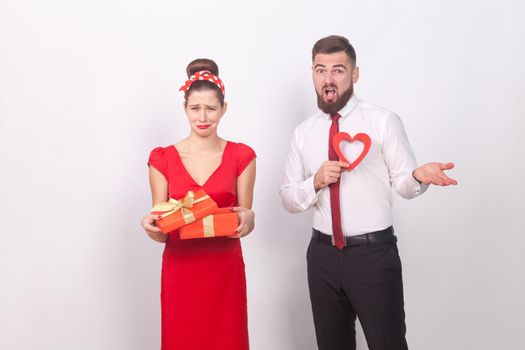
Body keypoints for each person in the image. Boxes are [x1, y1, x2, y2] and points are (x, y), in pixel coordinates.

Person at [279, 35, 457, 350]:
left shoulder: (382, 121)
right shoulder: (303, 133)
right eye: (321, 70)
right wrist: (315, 182)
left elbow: (404, 182)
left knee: (387, 344)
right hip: (321, 256)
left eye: (338, 70)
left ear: (355, 74)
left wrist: (418, 175)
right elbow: (289, 198)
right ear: (313, 74)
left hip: (372, 256)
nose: (328, 79)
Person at [141, 58, 256, 350]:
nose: (203, 116)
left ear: (224, 109)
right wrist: (150, 226)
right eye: (195, 108)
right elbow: (162, 230)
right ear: (184, 109)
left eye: (211, 108)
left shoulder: (242, 157)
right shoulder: (162, 159)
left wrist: (249, 219)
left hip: (224, 273)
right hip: (181, 271)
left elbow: (244, 220)